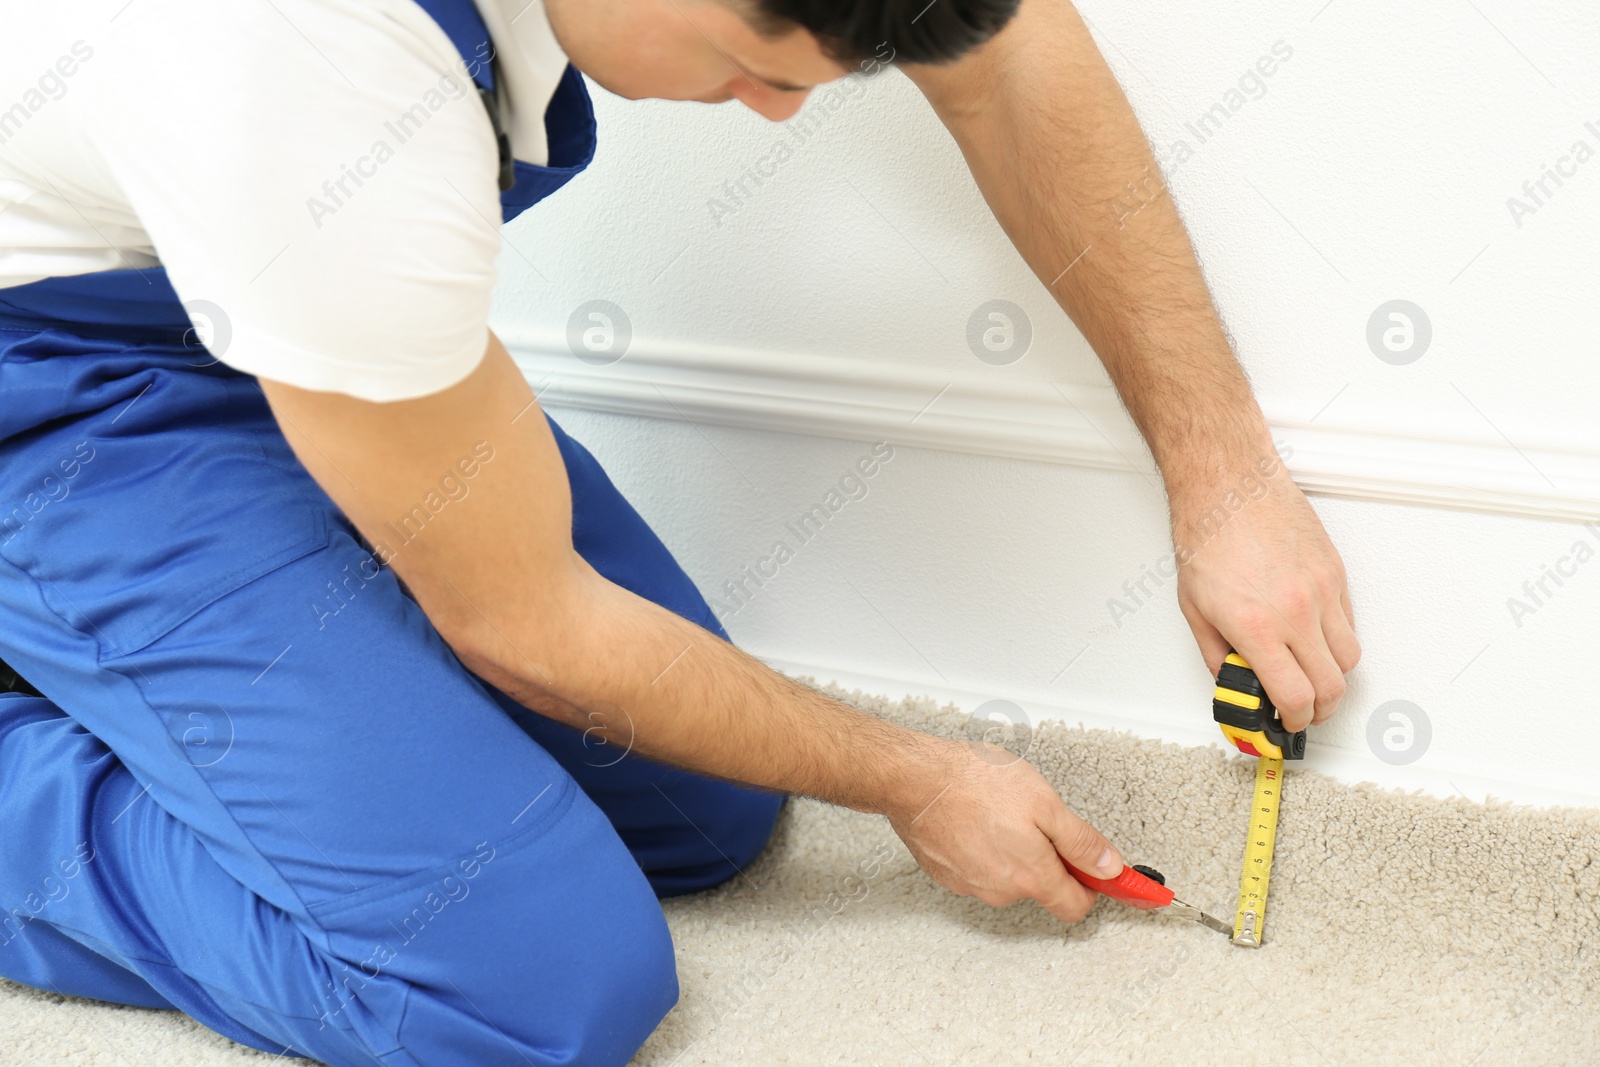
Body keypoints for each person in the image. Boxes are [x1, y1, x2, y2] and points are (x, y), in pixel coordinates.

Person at [0, 0, 1360, 1062]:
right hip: (63, 396)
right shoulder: (299, 70)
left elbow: (1000, 54)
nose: (775, 116)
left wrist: (1224, 477)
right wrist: (918, 779)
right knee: (523, 987)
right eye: (756, 65)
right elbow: (525, 623)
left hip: (268, 320)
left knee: (703, 816)